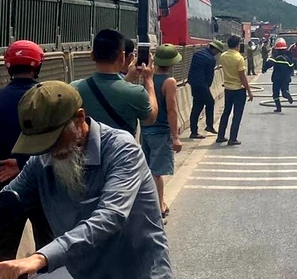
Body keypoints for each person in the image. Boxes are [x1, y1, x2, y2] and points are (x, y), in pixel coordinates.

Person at [0, 81, 173, 279]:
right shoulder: (41, 161)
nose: (49, 151)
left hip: (136, 272)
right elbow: (8, 200)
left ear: (80, 118)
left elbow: (110, 216)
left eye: (54, 140)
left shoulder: (122, 150)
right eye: (40, 144)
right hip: (82, 272)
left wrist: (39, 258)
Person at [0, 41, 53, 261]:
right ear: (37, 66)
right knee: (50, 247)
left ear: (9, 66)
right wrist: (23, 164)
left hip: (5, 184)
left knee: (4, 248)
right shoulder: (50, 100)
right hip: (44, 181)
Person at [72, 29, 158, 135]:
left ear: (92, 55)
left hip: (88, 151)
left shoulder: (74, 89)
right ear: (122, 57)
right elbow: (150, 119)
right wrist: (149, 80)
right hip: (122, 151)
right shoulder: (136, 93)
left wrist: (128, 78)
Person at [140, 45, 183, 220]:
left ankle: (154, 203)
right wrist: (176, 137)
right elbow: (171, 110)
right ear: (172, 63)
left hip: (146, 130)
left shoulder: (148, 78)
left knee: (149, 169)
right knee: (157, 172)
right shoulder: (169, 82)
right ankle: (158, 207)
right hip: (161, 131)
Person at [216, 36, 253, 146]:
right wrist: (249, 91)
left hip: (228, 88)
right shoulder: (239, 58)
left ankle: (220, 136)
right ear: (238, 45)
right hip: (238, 89)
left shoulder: (223, 56)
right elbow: (242, 76)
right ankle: (233, 138)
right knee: (237, 114)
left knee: (226, 112)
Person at [188, 39, 225, 140]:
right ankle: (207, 126)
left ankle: (194, 130)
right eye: (217, 52)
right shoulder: (210, 59)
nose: (217, 54)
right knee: (209, 103)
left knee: (197, 106)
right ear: (215, 50)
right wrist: (207, 87)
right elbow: (209, 76)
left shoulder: (197, 54)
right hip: (202, 85)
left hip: (193, 83)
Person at [263, 38, 295, 113]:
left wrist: (264, 69)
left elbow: (269, 63)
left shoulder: (275, 56)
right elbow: (292, 67)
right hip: (286, 78)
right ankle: (286, 93)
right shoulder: (288, 58)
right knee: (284, 91)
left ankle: (278, 108)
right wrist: (289, 75)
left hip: (277, 78)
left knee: (275, 93)